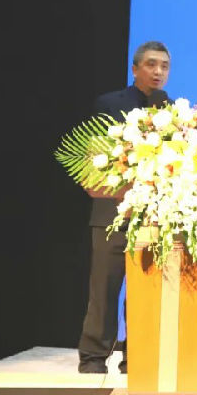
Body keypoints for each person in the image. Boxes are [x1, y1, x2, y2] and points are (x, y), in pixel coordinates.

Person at [77, 41, 172, 373]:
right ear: (135, 69)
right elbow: (94, 156)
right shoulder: (109, 105)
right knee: (104, 289)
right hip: (113, 213)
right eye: (151, 64)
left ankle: (138, 357)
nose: (158, 72)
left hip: (155, 216)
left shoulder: (173, 112)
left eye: (164, 66)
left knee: (145, 290)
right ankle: (93, 357)